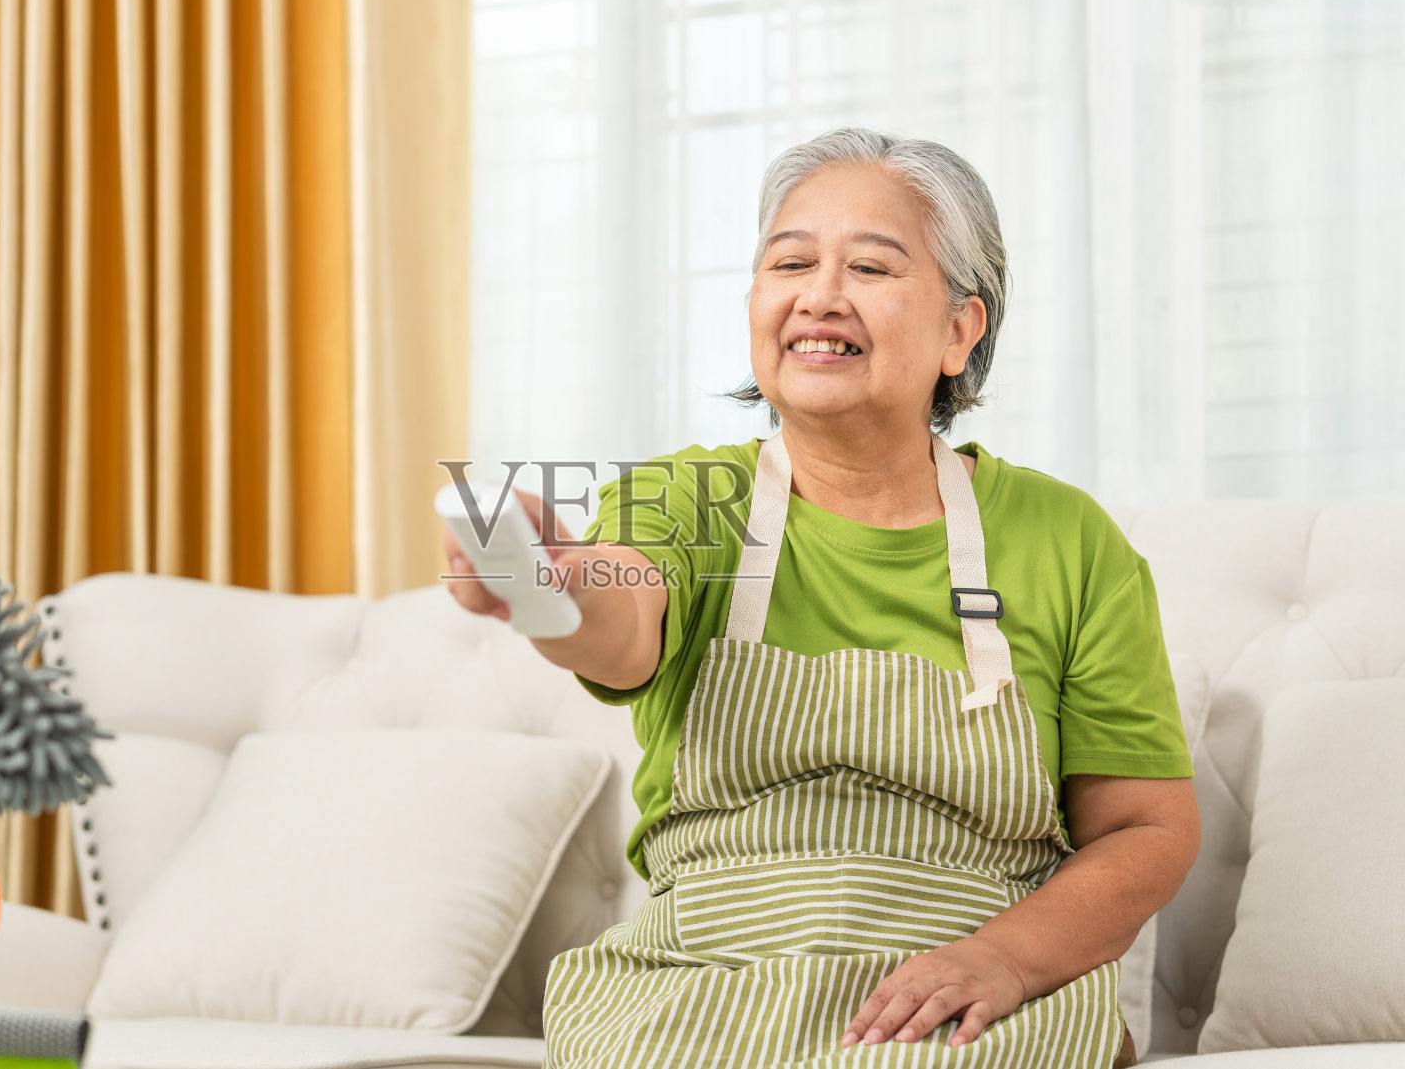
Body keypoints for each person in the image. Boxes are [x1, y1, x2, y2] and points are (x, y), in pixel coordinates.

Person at [442, 126, 1199, 1068]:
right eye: (789, 261)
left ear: (961, 328)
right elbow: (622, 620)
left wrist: (1008, 956)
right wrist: (549, 577)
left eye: (872, 268)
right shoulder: (688, 497)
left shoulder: (1068, 539)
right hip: (703, 984)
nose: (818, 296)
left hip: (963, 996)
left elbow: (1146, 826)